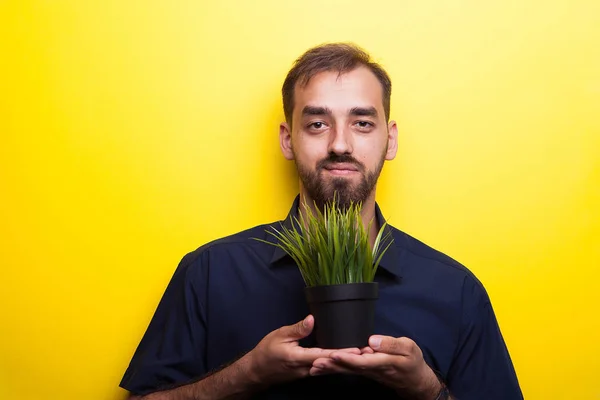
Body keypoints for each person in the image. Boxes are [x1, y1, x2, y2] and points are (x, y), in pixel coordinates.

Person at [120, 43, 523, 400]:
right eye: (317, 123)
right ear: (286, 139)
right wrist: (247, 374)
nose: (340, 144)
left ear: (391, 139)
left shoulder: (455, 291)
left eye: (362, 123)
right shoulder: (210, 274)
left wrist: (427, 391)